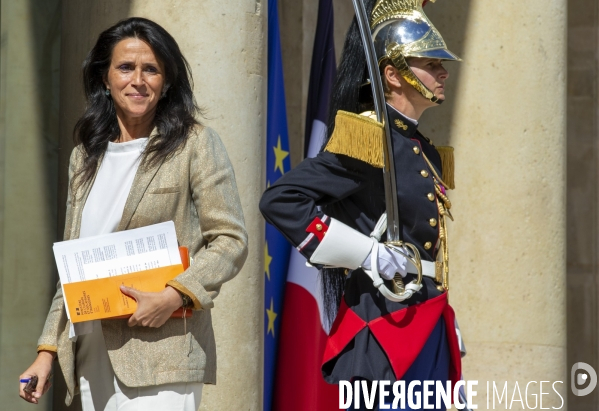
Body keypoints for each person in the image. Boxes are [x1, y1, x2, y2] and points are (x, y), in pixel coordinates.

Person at [18, 17, 248, 411]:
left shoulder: (195, 144)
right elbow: (74, 266)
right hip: (90, 356)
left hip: (164, 354)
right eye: (125, 67)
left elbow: (230, 239)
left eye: (151, 69)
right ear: (105, 78)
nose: (138, 80)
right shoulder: (84, 157)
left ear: (167, 81)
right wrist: (46, 351)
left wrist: (173, 296)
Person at [260, 0, 463, 409]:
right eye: (430, 62)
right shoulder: (368, 140)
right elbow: (282, 200)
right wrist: (367, 253)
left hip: (428, 317)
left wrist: (446, 318)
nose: (443, 72)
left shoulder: (422, 149)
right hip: (386, 323)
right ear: (393, 74)